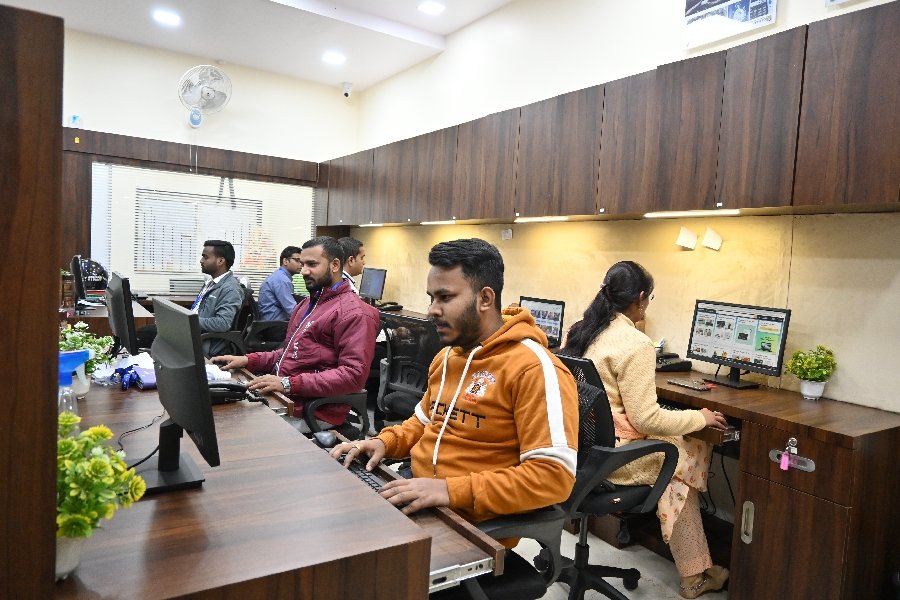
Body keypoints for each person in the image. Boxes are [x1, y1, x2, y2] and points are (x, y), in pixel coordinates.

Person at [330, 238, 579, 542]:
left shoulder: (534, 368)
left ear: (485, 298)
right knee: (333, 517)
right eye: (431, 298)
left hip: (469, 527)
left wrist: (449, 490)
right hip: (420, 497)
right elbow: (423, 423)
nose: (432, 310)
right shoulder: (448, 356)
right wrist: (384, 442)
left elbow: (553, 477)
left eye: (445, 297)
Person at [563, 261, 729, 599]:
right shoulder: (636, 344)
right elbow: (647, 420)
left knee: (682, 451)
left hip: (580, 448)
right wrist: (701, 418)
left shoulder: (584, 330)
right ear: (640, 298)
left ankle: (695, 562)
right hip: (611, 457)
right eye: (649, 299)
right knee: (683, 459)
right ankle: (694, 576)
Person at [212, 236, 379, 433]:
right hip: (287, 398)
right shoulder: (307, 304)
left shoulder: (355, 313)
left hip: (312, 411)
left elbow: (353, 376)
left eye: (312, 264)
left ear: (335, 265)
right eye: (302, 264)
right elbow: (290, 352)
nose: (304, 271)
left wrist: (288, 384)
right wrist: (249, 360)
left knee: (230, 427)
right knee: (218, 411)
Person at [136, 239, 244, 357]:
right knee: (146, 331)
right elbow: (197, 311)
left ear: (220, 261)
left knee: (145, 335)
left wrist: (186, 321)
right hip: (190, 332)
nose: (201, 260)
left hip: (201, 340)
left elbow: (222, 323)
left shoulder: (230, 289)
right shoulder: (211, 282)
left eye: (205, 257)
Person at [257, 246, 302, 320]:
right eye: (297, 260)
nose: (301, 264)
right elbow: (292, 310)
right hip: (275, 324)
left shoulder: (278, 276)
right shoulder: (282, 279)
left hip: (271, 322)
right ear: (285, 261)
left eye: (301, 262)